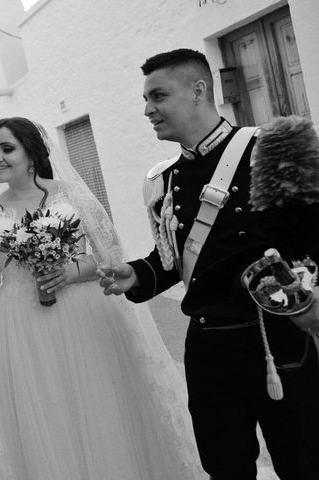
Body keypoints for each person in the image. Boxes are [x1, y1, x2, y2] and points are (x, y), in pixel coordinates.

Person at [99, 48, 319, 480]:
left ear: (198, 90)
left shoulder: (270, 150)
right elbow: (175, 259)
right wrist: (137, 274)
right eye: (146, 99)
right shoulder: (165, 178)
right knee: (224, 466)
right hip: (208, 347)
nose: (148, 110)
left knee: (303, 461)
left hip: (276, 341)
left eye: (158, 96)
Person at [0, 116, 202, 480]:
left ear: (32, 153)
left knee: (98, 406)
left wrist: (71, 272)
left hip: (81, 313)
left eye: (7, 148)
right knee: (45, 414)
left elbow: (109, 256)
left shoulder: (69, 195)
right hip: (20, 324)